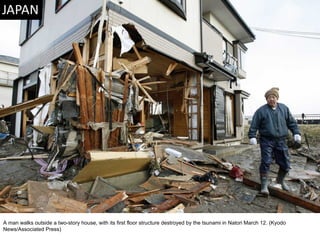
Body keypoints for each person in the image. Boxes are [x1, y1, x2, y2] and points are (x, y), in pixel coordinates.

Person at [248, 87, 301, 195]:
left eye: (273, 97)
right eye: (269, 98)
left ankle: (280, 181)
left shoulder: (284, 109)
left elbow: (292, 122)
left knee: (285, 163)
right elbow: (254, 125)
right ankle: (264, 185)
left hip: (281, 140)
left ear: (277, 98)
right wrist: (252, 136)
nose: (271, 99)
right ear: (266, 99)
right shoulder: (261, 111)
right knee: (266, 161)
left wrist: (296, 133)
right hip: (266, 140)